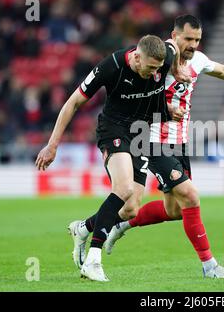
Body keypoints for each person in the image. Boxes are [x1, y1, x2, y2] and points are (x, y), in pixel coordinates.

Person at [80, 15, 224, 279]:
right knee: (190, 196)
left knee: (174, 210)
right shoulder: (160, 57)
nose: (193, 45)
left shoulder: (197, 60)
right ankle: (210, 266)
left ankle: (113, 224)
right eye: (188, 39)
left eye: (197, 40)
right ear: (174, 36)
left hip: (179, 141)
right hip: (151, 137)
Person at [35, 34, 189, 282]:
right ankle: (93, 261)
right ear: (137, 57)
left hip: (141, 133)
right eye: (150, 67)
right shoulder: (111, 67)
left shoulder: (165, 56)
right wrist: (52, 145)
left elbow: (173, 45)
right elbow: (73, 102)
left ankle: (83, 228)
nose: (154, 73)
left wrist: (177, 70)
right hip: (113, 130)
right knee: (124, 188)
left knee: (130, 210)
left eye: (158, 68)